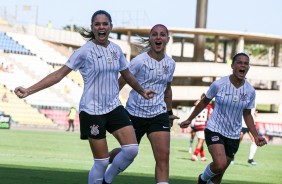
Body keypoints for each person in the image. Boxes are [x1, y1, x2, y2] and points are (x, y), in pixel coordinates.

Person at [14, 10, 155, 184]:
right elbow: (59, 74)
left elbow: (127, 75)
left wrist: (142, 91)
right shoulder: (84, 51)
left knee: (132, 150)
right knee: (102, 161)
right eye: (97, 24)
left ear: (110, 27)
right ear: (92, 27)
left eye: (105, 24)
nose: (101, 27)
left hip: (114, 107)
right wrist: (29, 90)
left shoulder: (116, 50)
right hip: (92, 110)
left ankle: (106, 181)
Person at [180, 52, 267, 184]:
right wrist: (189, 119)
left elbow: (247, 114)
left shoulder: (250, 91)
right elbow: (204, 102)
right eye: (239, 62)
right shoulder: (219, 84)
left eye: (246, 63)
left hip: (233, 135)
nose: (243, 65)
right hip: (215, 129)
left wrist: (255, 136)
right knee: (219, 164)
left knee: (218, 176)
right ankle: (202, 179)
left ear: (248, 67)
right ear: (232, 66)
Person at [109, 24, 179, 184]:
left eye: (162, 35)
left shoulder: (171, 63)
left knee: (163, 157)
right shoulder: (138, 61)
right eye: (154, 34)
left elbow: (167, 90)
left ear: (168, 39)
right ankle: (105, 159)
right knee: (127, 153)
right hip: (134, 114)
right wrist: (112, 106)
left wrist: (169, 113)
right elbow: (120, 83)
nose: (158, 37)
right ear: (150, 38)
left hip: (158, 115)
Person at [189, 93, 213, 162]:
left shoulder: (199, 105)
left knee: (200, 141)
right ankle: (194, 155)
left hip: (197, 124)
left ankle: (203, 157)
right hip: (203, 125)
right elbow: (210, 116)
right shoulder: (209, 106)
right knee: (201, 141)